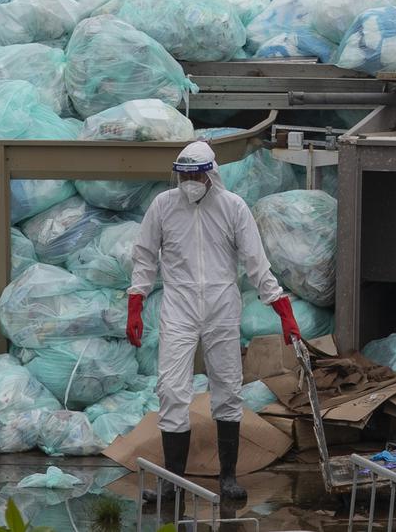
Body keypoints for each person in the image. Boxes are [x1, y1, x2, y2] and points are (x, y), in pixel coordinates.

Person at [126, 141, 302, 505]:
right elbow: (144, 256)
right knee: (172, 390)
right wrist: (135, 302)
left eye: (196, 174)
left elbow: (257, 263)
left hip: (222, 306)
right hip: (179, 305)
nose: (190, 181)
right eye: (184, 174)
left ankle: (228, 477)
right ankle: (172, 483)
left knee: (227, 389)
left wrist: (282, 309)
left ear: (210, 174)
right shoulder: (164, 206)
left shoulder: (232, 208)